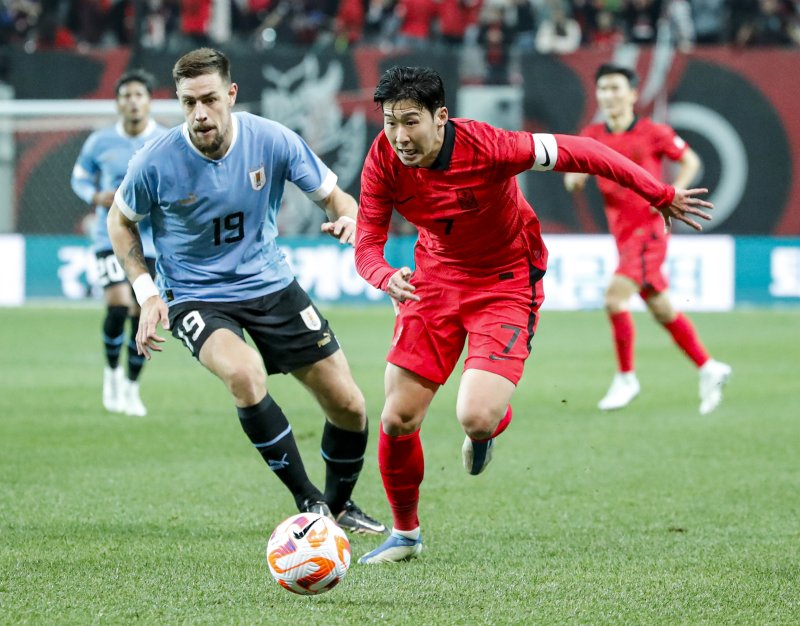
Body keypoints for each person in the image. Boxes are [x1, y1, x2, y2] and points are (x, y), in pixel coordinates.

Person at [353, 65, 714, 564]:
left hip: (505, 282)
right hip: (431, 282)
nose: (399, 136)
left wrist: (659, 193)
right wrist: (383, 275)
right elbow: (367, 242)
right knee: (397, 418)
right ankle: (405, 534)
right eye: (390, 122)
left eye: (410, 122)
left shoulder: (492, 146)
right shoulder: (383, 160)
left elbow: (583, 152)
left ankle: (492, 424)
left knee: (476, 418)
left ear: (441, 117)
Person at [106, 48, 386, 535]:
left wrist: (347, 218)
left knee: (351, 406)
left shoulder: (273, 140)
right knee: (245, 373)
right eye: (188, 102)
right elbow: (119, 221)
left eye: (209, 99)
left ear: (231, 95)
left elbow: (335, 197)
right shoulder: (154, 162)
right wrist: (148, 292)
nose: (199, 114)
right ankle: (309, 501)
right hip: (196, 295)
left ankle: (337, 510)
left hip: (270, 283)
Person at [563, 63, 731, 414]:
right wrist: (576, 179)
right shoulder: (591, 134)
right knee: (661, 306)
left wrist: (671, 196)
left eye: (616, 88)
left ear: (633, 94)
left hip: (649, 230)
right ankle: (709, 367)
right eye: (603, 89)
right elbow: (571, 178)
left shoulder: (653, 131)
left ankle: (626, 377)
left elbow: (690, 160)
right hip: (622, 234)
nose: (609, 95)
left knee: (614, 298)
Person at [71, 69, 167, 417]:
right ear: (118, 103)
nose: (132, 101)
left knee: (144, 314)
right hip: (109, 237)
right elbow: (78, 178)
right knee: (118, 306)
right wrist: (96, 196)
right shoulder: (99, 142)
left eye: (138, 94)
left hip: (154, 243)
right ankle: (112, 375)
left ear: (149, 100)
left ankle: (131, 387)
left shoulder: (166, 140)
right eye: (126, 95)